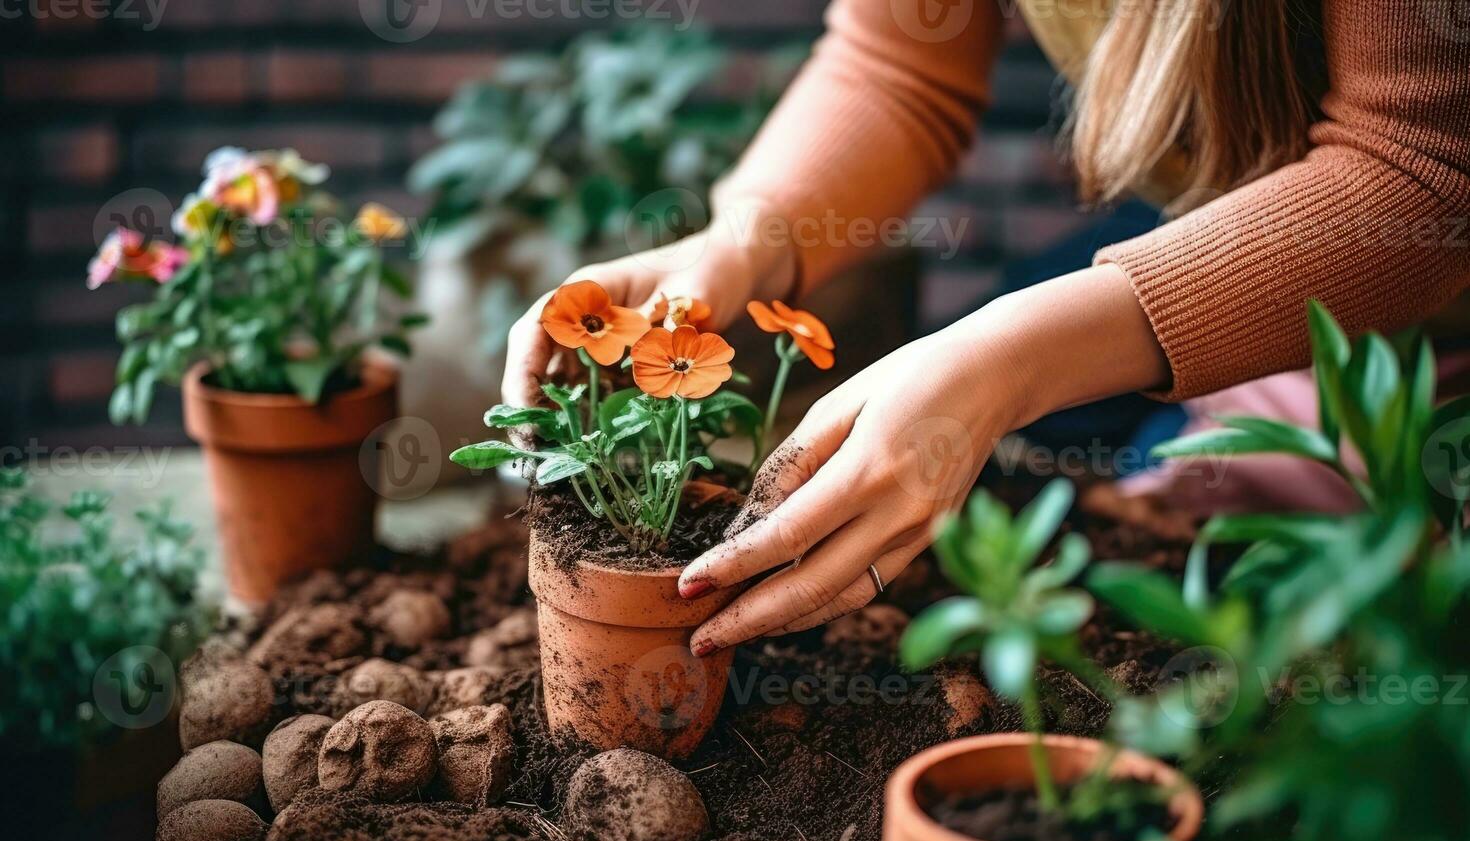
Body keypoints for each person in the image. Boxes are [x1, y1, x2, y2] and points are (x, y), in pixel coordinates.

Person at [500, 0, 1470, 656]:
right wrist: (744, 239)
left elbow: (1426, 168)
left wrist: (1006, 363)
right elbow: (900, 61)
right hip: (1229, 229)